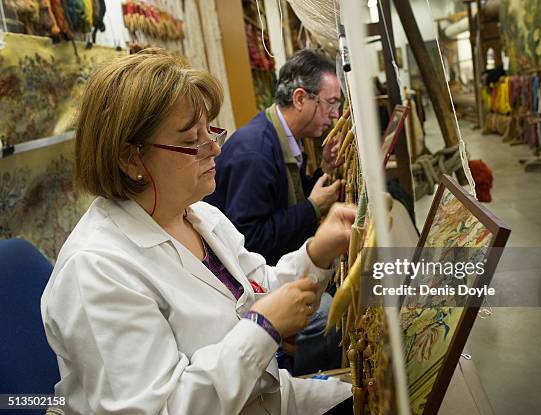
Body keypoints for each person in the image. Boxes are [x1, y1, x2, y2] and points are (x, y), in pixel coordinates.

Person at [40, 49, 354, 414]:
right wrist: (263, 328)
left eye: (211, 131)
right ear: (131, 158)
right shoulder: (96, 270)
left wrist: (317, 252)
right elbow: (160, 408)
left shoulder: (199, 216)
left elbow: (255, 287)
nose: (216, 148)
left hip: (264, 398)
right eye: (192, 142)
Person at [205, 49, 344, 266]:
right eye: (331, 103)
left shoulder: (281, 134)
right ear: (299, 98)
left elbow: (281, 198)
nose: (335, 114)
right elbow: (251, 241)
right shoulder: (256, 152)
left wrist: (324, 169)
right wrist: (312, 208)